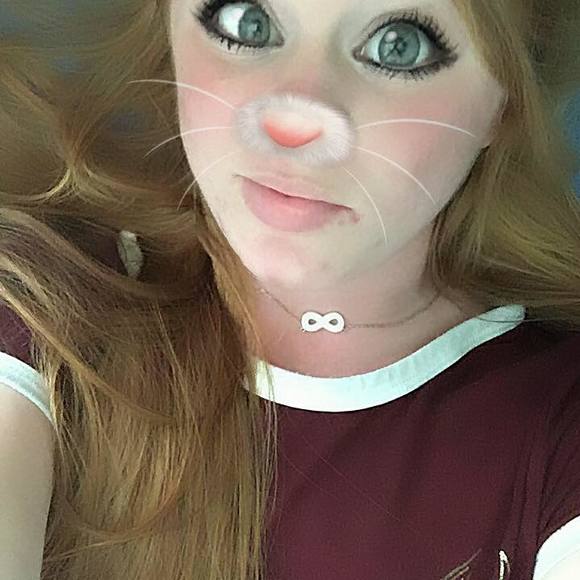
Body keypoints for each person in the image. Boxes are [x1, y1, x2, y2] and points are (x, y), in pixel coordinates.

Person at [0, 0, 579, 578]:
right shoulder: (49, 302)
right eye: (246, 23)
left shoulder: (556, 417)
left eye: (399, 46)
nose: (292, 127)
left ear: (505, 99)